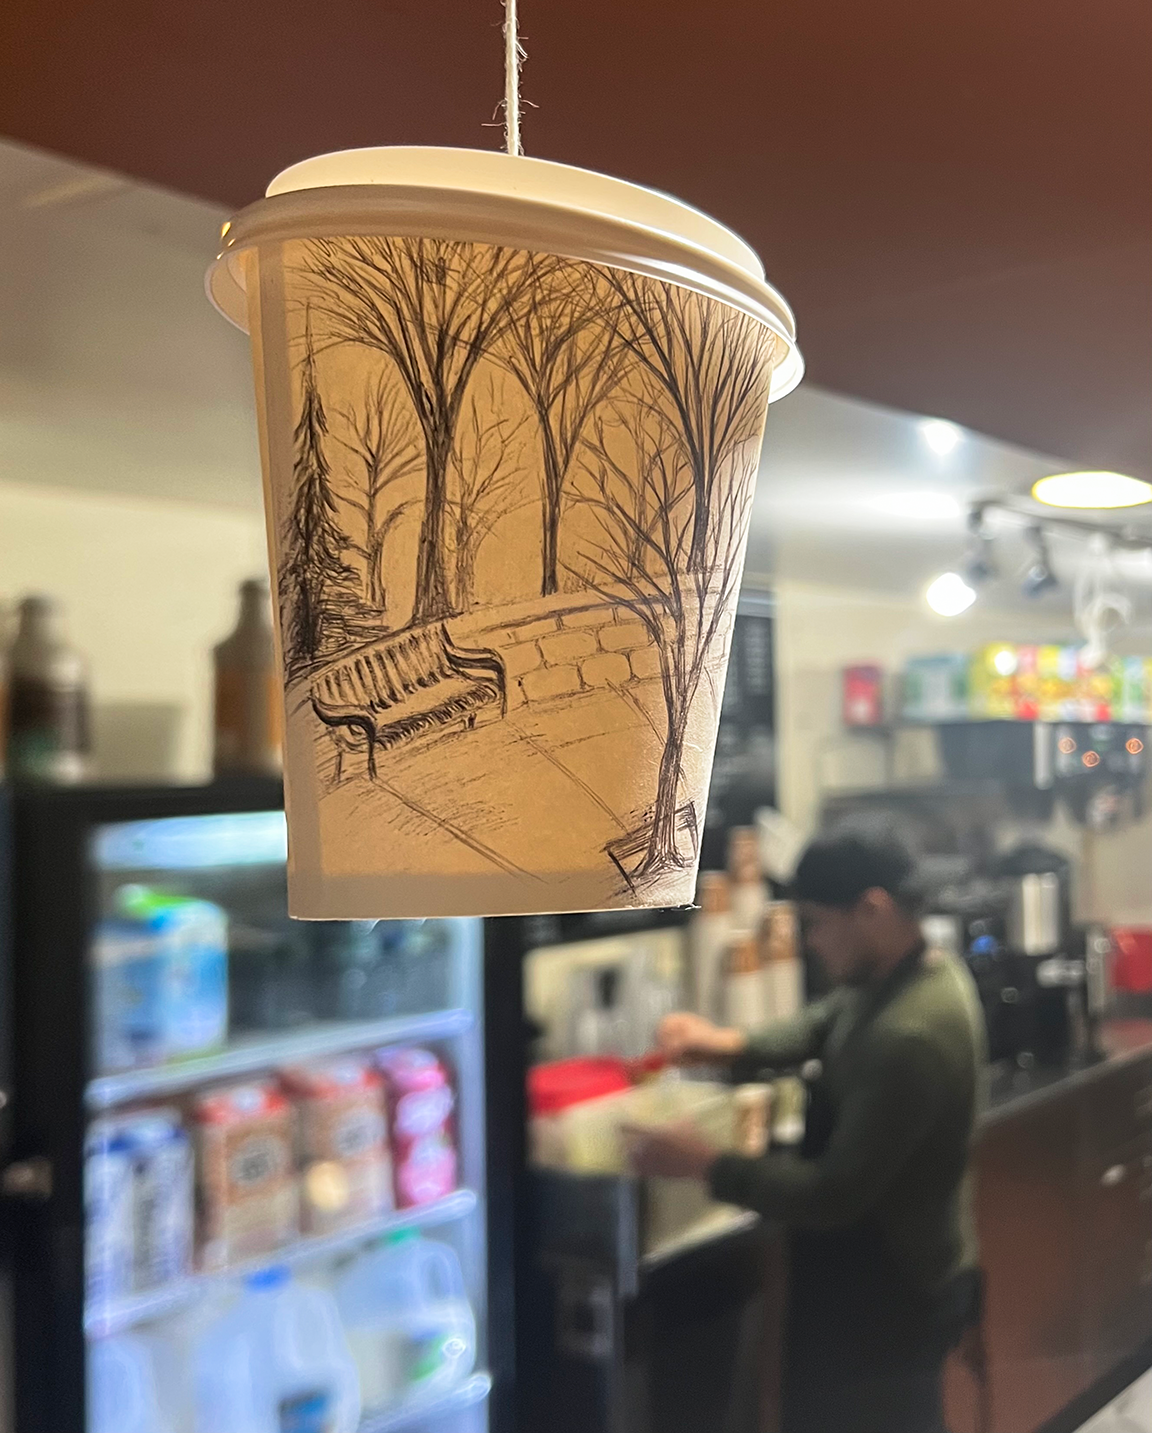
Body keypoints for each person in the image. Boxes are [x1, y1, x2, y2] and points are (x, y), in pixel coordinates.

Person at [626, 830, 987, 1433]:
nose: (811, 942)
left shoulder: (912, 1036)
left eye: (817, 924)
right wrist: (727, 1045)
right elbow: (827, 1019)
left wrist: (705, 1164)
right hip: (892, 1273)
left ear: (871, 909)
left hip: (890, 1293)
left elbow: (832, 1195)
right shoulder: (914, 968)